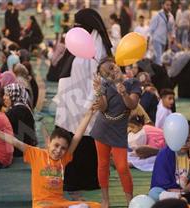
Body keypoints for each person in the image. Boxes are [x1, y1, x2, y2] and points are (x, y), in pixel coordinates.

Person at [0, 106, 101, 208]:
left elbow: (77, 136)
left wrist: (89, 114)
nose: (58, 150)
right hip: (42, 204)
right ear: (48, 142)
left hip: (60, 203)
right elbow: (14, 141)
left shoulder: (63, 159)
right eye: (56, 145)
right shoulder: (36, 154)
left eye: (63, 148)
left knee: (96, 205)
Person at [54, 8, 113, 200]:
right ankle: (69, 178)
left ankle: (86, 180)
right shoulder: (81, 40)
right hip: (72, 101)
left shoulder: (98, 45)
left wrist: (91, 100)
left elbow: (99, 75)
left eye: (79, 23)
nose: (76, 27)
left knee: (86, 143)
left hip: (87, 101)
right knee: (70, 139)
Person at [91, 58, 141, 207]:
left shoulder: (133, 83)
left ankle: (130, 202)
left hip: (119, 131)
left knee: (122, 167)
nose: (112, 72)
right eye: (107, 73)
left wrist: (124, 93)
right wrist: (99, 92)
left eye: (112, 67)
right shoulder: (105, 85)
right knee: (103, 164)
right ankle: (105, 200)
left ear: (117, 64)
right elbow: (103, 107)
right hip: (102, 129)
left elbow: (132, 104)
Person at [3, 83, 37, 157]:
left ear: (14, 95)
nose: (4, 98)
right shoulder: (21, 107)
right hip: (25, 149)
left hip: (20, 152)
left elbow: (0, 125)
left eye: (6, 95)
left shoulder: (18, 111)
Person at [149, 0, 175, 65]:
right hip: (156, 39)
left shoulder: (171, 16)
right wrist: (150, 39)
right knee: (159, 58)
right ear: (162, 5)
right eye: (167, 5)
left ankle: (151, 70)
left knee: (157, 57)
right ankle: (158, 72)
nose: (169, 7)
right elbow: (151, 28)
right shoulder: (157, 15)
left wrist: (173, 36)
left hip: (164, 40)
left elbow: (172, 29)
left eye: (170, 5)